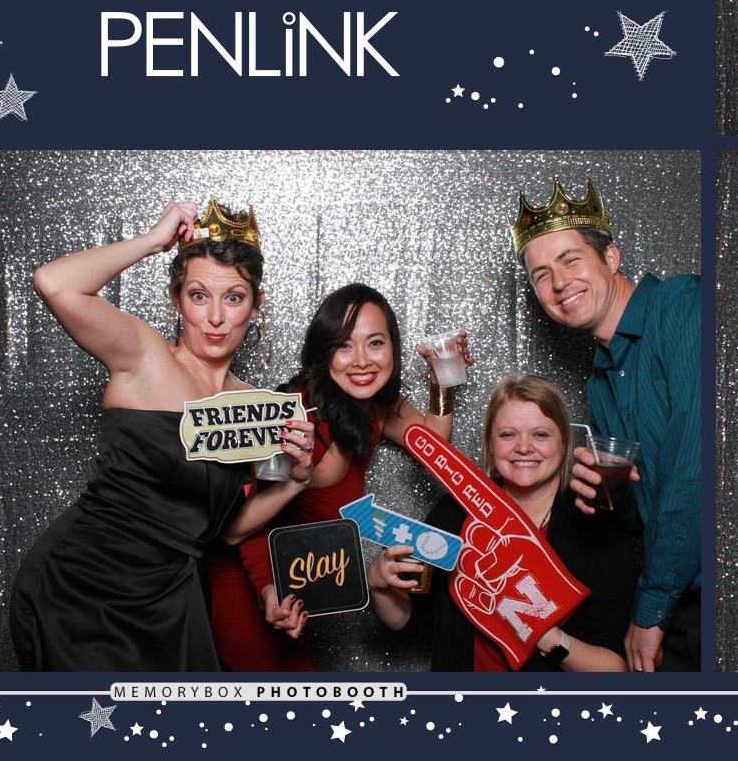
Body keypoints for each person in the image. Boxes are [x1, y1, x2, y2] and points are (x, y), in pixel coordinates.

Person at [9, 199, 314, 672]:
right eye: (199, 295)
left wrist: (295, 482)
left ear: (255, 306)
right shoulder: (144, 356)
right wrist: (154, 241)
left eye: (234, 297)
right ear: (177, 300)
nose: (216, 317)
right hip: (86, 584)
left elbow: (227, 530)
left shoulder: (254, 407)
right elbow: (54, 282)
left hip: (174, 596)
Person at [206, 284, 467, 671]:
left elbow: (434, 446)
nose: (361, 360)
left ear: (393, 347)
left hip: (298, 579)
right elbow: (240, 530)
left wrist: (442, 376)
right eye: (344, 345)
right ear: (324, 351)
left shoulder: (375, 405)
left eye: (375, 343)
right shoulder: (294, 419)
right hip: (247, 582)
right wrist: (268, 590)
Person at [511, 178, 702, 671]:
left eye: (571, 259)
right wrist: (605, 497)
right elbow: (637, 519)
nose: (559, 283)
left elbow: (696, 468)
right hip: (678, 601)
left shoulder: (680, 306)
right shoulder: (601, 381)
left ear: (611, 258)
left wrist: (650, 608)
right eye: (541, 275)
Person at [367, 374, 636, 671]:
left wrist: (541, 633)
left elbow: (615, 670)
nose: (524, 447)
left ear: (564, 445)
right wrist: (379, 585)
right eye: (508, 435)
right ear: (490, 445)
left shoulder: (594, 529)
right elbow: (409, 620)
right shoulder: (454, 513)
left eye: (541, 435)